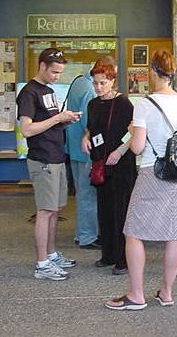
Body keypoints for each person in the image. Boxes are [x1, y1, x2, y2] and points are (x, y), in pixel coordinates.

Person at [104, 50, 177, 311]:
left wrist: (133, 131)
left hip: (151, 173)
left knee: (133, 232)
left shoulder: (145, 105)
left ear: (154, 72)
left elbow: (136, 147)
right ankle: (166, 293)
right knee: (175, 234)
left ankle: (136, 295)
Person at [16, 48, 81, 281]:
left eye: (60, 72)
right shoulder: (28, 93)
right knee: (45, 211)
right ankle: (42, 264)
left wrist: (64, 121)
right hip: (42, 159)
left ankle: (51, 254)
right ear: (42, 66)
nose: (57, 76)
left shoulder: (49, 91)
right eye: (54, 72)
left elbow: (48, 123)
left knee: (56, 209)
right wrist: (57, 118)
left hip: (56, 156)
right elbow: (27, 129)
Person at [81, 60, 137, 275]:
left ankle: (124, 258)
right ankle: (109, 253)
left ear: (112, 81)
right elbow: (91, 128)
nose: (98, 87)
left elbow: (134, 132)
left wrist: (120, 151)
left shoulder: (123, 103)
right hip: (101, 163)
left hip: (121, 163)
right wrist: (86, 138)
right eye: (95, 83)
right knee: (104, 209)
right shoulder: (93, 104)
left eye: (103, 83)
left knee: (121, 210)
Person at [65, 69, 99, 250]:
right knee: (88, 195)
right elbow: (88, 120)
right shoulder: (88, 87)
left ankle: (81, 233)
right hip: (86, 149)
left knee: (81, 193)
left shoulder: (77, 81)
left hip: (73, 147)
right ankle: (87, 236)